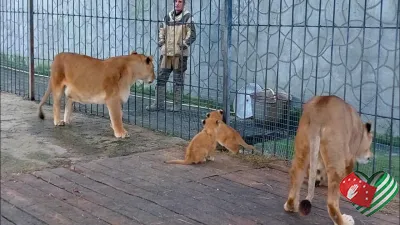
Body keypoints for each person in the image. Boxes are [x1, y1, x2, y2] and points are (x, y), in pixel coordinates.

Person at [146, 0, 196, 112]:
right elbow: (161, 31)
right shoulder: (167, 17)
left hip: (180, 55)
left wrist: (182, 45)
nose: (177, 4)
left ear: (184, 4)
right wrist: (162, 44)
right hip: (166, 54)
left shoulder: (188, 17)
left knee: (178, 80)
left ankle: (177, 105)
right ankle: (158, 104)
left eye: (180, 1)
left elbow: (192, 35)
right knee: (161, 79)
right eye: (175, 1)